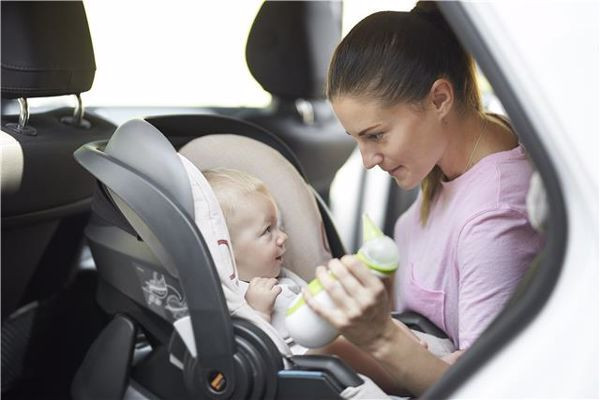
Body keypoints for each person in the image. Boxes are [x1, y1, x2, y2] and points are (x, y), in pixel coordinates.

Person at [303, 1, 545, 396]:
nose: (366, 160)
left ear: (439, 99)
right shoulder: (450, 163)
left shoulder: (495, 215)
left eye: (376, 135)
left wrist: (380, 336)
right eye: (357, 139)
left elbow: (483, 389)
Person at [203, 167, 438, 394]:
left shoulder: (283, 276)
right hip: (298, 368)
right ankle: (419, 379)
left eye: (279, 226)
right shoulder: (231, 296)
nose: (283, 237)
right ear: (225, 250)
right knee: (341, 346)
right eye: (267, 231)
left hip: (328, 347)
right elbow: (247, 356)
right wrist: (258, 314)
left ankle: (430, 363)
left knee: (372, 326)